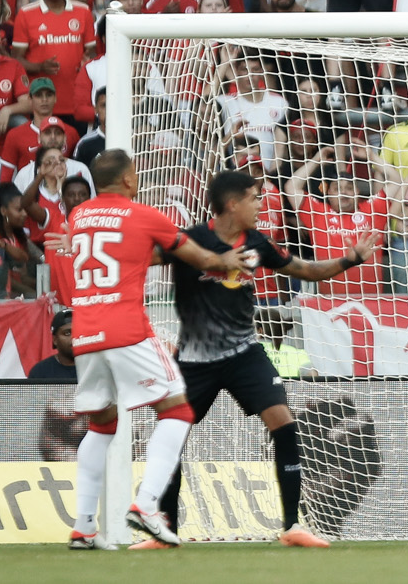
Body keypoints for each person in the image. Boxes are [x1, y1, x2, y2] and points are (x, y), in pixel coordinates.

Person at [159, 167, 380, 547]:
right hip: (196, 357)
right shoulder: (191, 240)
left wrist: (351, 259)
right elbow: (141, 259)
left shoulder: (257, 242)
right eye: (255, 197)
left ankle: (292, 525)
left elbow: (305, 270)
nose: (262, 204)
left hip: (245, 351)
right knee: (172, 435)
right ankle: (166, 529)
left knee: (283, 421)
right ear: (232, 203)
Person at [66, 148, 251, 548]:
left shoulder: (78, 216)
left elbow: (120, 251)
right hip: (126, 329)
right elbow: (200, 257)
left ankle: (83, 526)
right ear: (130, 180)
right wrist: (228, 259)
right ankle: (147, 503)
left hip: (84, 332)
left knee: (101, 424)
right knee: (177, 409)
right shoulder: (146, 215)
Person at [30, 308, 79, 381]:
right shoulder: (40, 372)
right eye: (67, 333)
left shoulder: (95, 367)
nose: (74, 337)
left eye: (78, 332)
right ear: (55, 339)